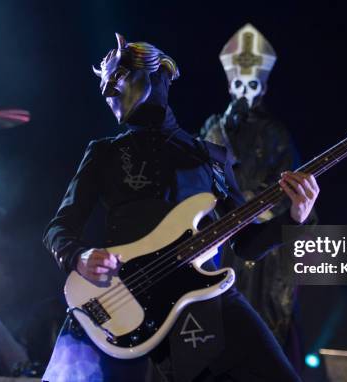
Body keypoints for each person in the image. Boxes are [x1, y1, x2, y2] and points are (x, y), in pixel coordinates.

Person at [42, 33, 319, 382]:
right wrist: (79, 257)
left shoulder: (211, 158)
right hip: (119, 300)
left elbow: (246, 243)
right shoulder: (104, 153)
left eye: (116, 78)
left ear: (153, 72)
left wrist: (295, 218)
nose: (109, 92)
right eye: (104, 88)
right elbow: (58, 228)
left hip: (198, 295)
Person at [200, 24, 314, 361]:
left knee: (259, 332)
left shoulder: (276, 134)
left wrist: (260, 204)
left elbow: (290, 191)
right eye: (238, 84)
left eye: (252, 85)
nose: (244, 93)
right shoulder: (211, 128)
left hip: (261, 248)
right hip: (218, 242)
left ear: (263, 88)